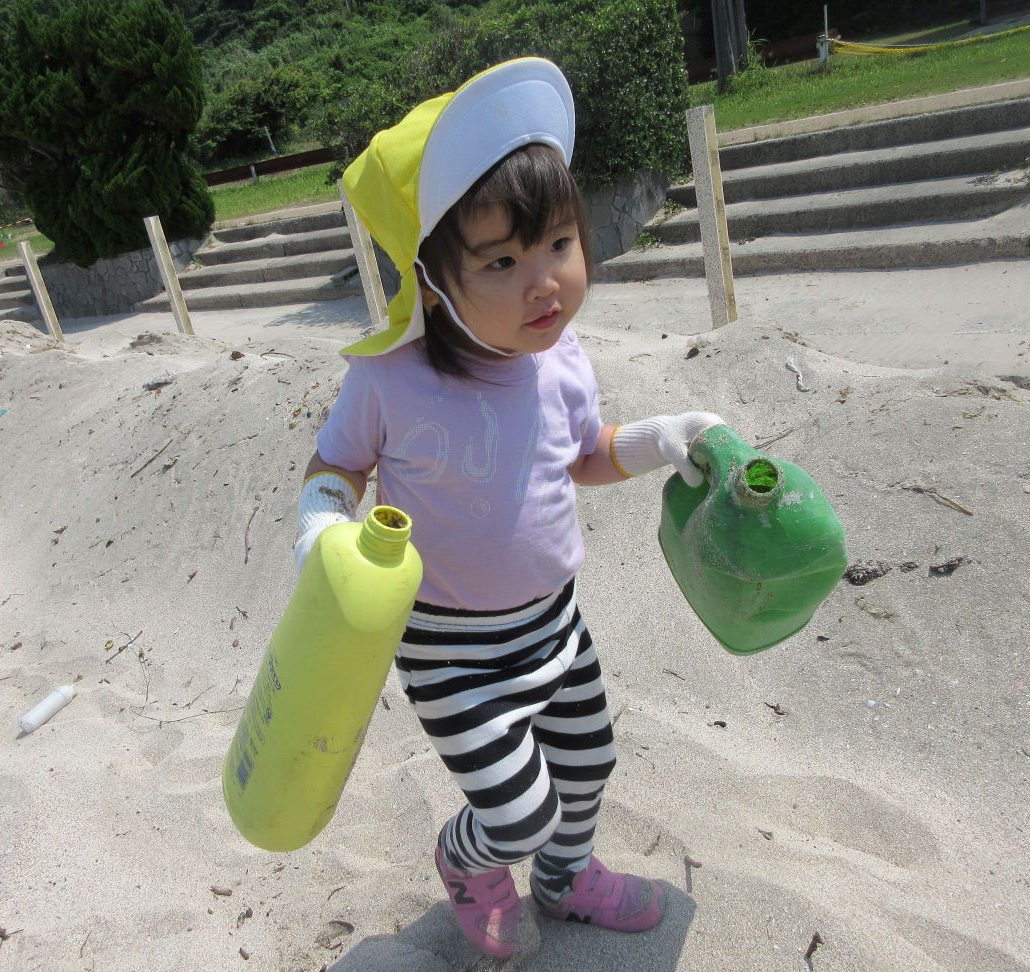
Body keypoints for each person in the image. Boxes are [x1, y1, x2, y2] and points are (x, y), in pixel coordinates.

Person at [293, 58, 724, 959]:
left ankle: (566, 883)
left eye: (559, 244)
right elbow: (335, 464)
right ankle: (465, 861)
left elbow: (582, 454)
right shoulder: (390, 380)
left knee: (589, 764)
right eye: (501, 261)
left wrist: (660, 440)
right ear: (432, 278)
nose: (545, 283)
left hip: (554, 623)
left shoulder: (559, 359)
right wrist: (322, 525)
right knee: (518, 813)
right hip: (450, 650)